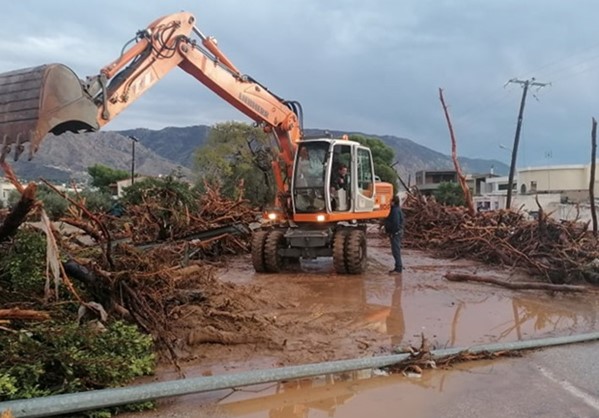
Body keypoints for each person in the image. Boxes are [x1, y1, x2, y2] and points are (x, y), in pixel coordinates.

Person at [384, 195, 404, 275]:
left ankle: (398, 269)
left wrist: (392, 233)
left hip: (395, 233)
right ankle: (397, 267)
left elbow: (395, 223)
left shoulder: (395, 210)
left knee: (396, 251)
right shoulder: (397, 209)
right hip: (397, 233)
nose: (389, 203)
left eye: (391, 201)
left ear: (393, 202)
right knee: (396, 250)